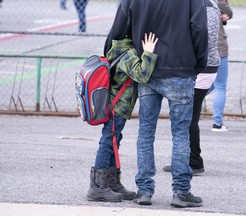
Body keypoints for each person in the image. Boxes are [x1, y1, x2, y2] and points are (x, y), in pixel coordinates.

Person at [104, 0, 208, 208]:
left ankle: (144, 190)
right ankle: (181, 191)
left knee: (146, 132)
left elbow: (118, 28)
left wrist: (109, 54)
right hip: (181, 68)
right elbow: (200, 28)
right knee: (180, 133)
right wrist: (198, 62)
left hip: (147, 67)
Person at [87, 32, 159, 203]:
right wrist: (148, 53)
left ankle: (112, 183)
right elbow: (142, 75)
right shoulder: (128, 54)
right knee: (107, 142)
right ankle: (98, 187)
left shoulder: (119, 47)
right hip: (117, 106)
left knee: (113, 141)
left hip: (116, 105)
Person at [163, 0, 220, 175]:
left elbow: (206, 38)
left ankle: (193, 162)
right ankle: (186, 160)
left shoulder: (207, 5)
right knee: (186, 116)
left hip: (202, 67)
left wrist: (190, 61)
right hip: (197, 66)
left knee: (187, 117)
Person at [208, 0, 233, 132]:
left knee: (206, 83)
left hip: (202, 45)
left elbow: (226, 14)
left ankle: (186, 110)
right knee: (220, 85)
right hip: (218, 46)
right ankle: (217, 123)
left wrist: (223, 17)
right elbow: (228, 11)